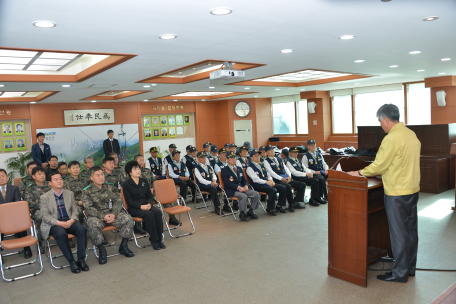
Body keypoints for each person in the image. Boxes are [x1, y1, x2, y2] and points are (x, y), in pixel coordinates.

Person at [347, 104, 421, 283]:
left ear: (386, 119)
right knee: (410, 231)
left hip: (396, 192)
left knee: (398, 234)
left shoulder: (391, 138)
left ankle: (399, 273)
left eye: (380, 121)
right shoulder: (411, 134)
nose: (381, 125)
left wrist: (359, 173)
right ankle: (409, 268)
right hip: (413, 189)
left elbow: (379, 165)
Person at [82, 166, 135, 264]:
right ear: (91, 177)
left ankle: (124, 245)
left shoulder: (111, 186)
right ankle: (101, 249)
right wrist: (103, 216)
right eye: (97, 175)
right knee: (92, 224)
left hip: (112, 214)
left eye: (102, 174)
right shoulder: (87, 190)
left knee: (128, 218)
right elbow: (89, 208)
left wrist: (114, 214)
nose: (101, 177)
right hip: (97, 216)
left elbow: (118, 201)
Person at [40, 172, 89, 274]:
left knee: (82, 229)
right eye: (56, 179)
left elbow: (75, 210)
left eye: (60, 179)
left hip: (69, 220)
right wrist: (59, 223)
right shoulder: (45, 197)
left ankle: (81, 259)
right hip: (54, 223)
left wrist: (71, 220)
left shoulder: (69, 194)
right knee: (61, 233)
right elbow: (45, 216)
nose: (59, 181)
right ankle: (71, 261)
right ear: (50, 183)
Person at [123, 161, 165, 250]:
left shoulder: (144, 181)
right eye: (135, 169)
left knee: (157, 212)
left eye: (138, 168)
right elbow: (129, 201)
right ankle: (154, 240)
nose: (138, 170)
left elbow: (149, 195)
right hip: (135, 208)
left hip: (147, 205)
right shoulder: (126, 184)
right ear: (130, 172)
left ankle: (159, 239)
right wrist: (141, 207)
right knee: (149, 214)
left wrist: (149, 203)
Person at [0, 169, 32, 259]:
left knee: (21, 222)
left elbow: (18, 203)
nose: (1, 178)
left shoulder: (14, 188)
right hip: (0, 218)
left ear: (6, 177)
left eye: (2, 176)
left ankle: (27, 248)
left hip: (14, 216)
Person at [263, 144, 306, 212]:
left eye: (273, 149)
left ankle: (296, 202)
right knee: (287, 186)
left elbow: (286, 168)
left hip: (286, 178)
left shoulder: (279, 159)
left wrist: (289, 176)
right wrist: (281, 178)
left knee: (302, 184)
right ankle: (290, 204)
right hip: (277, 179)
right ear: (266, 152)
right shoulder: (266, 161)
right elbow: (271, 172)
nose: (272, 151)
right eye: (270, 150)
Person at [247, 149, 288, 216]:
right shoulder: (250, 167)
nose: (257, 157)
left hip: (266, 183)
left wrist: (271, 180)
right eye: (255, 156)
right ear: (251, 158)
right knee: (272, 190)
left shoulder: (261, 165)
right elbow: (255, 179)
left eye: (258, 155)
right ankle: (270, 208)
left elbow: (268, 174)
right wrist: (267, 182)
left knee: (283, 187)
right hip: (257, 185)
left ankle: (279, 206)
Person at [221, 151, 260, 221]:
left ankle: (250, 211)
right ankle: (242, 214)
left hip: (242, 188)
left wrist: (246, 186)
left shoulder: (239, 168)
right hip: (231, 190)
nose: (233, 160)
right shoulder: (224, 170)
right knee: (243, 196)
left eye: (234, 158)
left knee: (255, 194)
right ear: (227, 159)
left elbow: (244, 180)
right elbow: (227, 183)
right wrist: (238, 187)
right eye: (231, 158)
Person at [24, 166, 51, 253]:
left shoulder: (50, 185)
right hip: (38, 210)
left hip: (53, 208)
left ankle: (65, 237)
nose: (42, 175)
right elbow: (30, 203)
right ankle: (40, 241)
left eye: (43, 173)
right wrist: (45, 208)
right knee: (40, 217)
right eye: (39, 174)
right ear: (33, 176)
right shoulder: (30, 188)